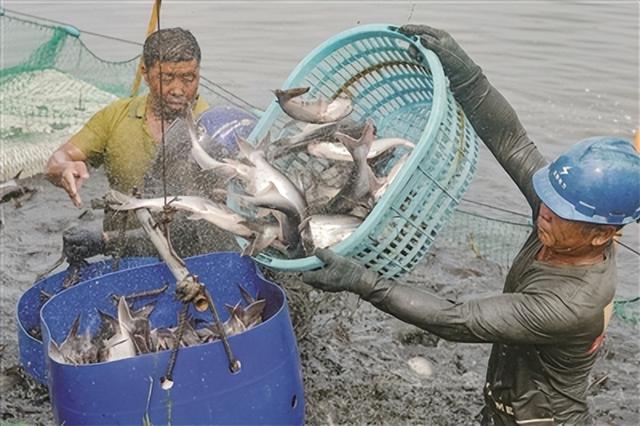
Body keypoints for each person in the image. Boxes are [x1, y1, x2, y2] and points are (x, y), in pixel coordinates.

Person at [301, 24, 640, 425]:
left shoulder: (570, 306)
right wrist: (464, 71)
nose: (544, 209)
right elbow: (512, 140)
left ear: (602, 233)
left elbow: (454, 318)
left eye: (561, 209)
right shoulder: (564, 217)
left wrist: (360, 280)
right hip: (503, 401)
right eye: (548, 196)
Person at [45, 28, 245, 260]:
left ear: (198, 73)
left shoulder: (214, 129)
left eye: (188, 78)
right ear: (145, 73)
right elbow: (57, 160)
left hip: (197, 259)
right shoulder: (115, 117)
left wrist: (104, 241)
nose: (178, 89)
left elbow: (210, 222)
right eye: (166, 78)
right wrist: (65, 168)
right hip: (127, 257)